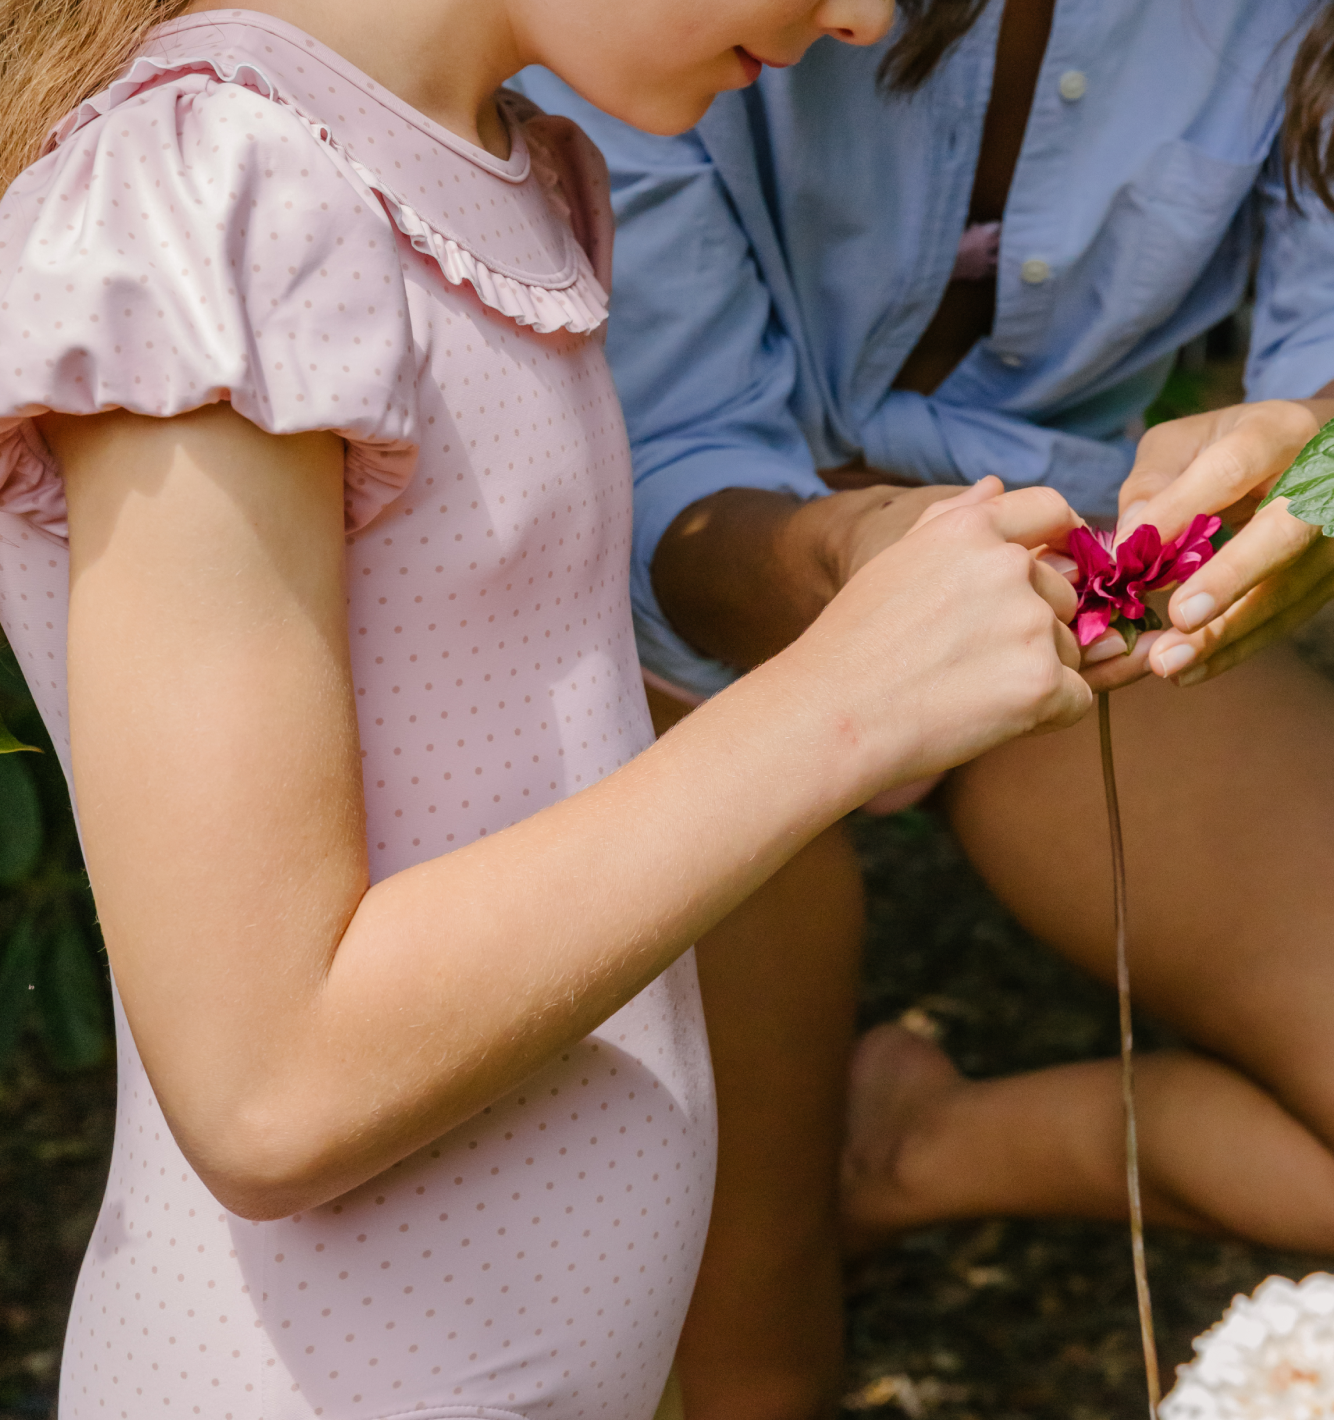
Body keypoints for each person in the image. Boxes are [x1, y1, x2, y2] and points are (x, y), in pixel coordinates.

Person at [0, 0, 1103, 1416]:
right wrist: (844, 707)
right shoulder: (219, 195)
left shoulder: (477, 167)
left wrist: (853, 578)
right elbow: (271, 1084)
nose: (869, 16)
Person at [517, 1, 1334, 1415]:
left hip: (1067, 579)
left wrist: (1318, 451)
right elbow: (672, 466)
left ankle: (909, 1151)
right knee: (750, 1370)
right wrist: (871, 576)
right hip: (644, 611)